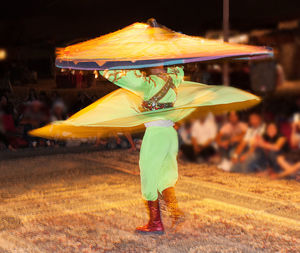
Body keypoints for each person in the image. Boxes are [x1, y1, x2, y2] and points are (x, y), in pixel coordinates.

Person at [100, 66, 185, 235]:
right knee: (166, 175)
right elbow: (179, 69)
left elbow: (122, 77)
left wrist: (102, 66)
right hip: (170, 134)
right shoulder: (173, 79)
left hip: (155, 135)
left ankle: (155, 223)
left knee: (149, 176)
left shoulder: (149, 83)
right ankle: (175, 211)